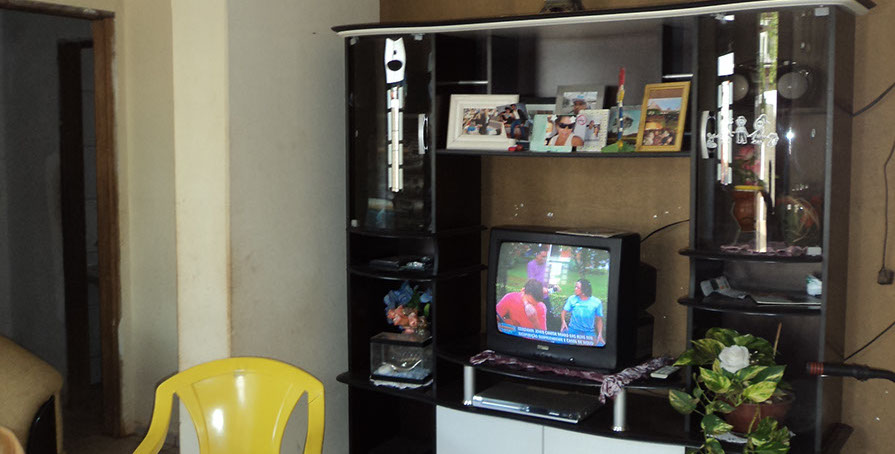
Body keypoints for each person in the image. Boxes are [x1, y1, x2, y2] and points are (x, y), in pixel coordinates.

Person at [560, 279, 605, 346]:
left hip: (588, 332)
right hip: (573, 330)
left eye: (577, 287)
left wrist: (600, 334)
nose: (575, 289)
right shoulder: (572, 299)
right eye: (575, 287)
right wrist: (563, 322)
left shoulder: (596, 302)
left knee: (601, 346)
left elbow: (599, 320)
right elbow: (563, 312)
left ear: (584, 290)